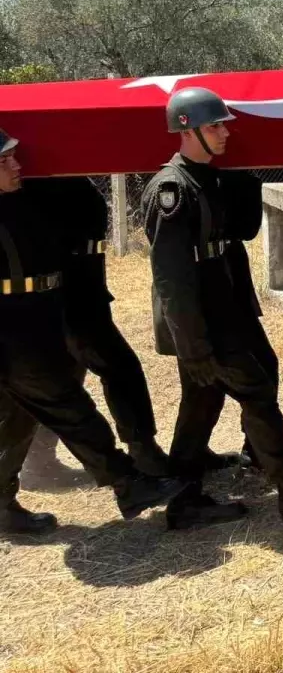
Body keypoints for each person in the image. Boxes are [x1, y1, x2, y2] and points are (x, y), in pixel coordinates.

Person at [143, 87, 283, 529]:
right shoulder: (171, 190)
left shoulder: (207, 177)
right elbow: (171, 279)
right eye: (215, 126)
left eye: (224, 124)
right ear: (187, 131)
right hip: (206, 318)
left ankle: (184, 496)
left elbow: (241, 230)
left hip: (228, 306)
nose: (225, 132)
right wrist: (192, 346)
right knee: (257, 391)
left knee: (204, 398)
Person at [0, 128, 186, 534]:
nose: (18, 165)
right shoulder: (23, 200)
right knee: (73, 410)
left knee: (17, 419)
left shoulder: (17, 201)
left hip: (40, 320)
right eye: (5, 161)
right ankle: (129, 482)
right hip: (17, 335)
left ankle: (5, 502)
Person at [19, 176, 170, 486]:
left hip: (83, 291)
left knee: (65, 381)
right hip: (70, 298)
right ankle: (143, 453)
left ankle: (38, 461)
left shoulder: (68, 178)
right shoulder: (39, 184)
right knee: (121, 369)